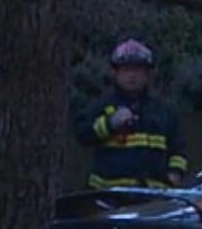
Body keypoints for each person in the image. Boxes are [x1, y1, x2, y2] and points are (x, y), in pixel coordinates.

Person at [76, 38, 187, 189]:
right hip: (109, 196)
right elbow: (82, 134)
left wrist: (176, 172)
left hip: (153, 198)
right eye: (127, 70)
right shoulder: (101, 106)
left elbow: (178, 148)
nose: (132, 76)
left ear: (148, 74)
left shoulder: (163, 111)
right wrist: (110, 123)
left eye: (138, 70)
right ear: (116, 73)